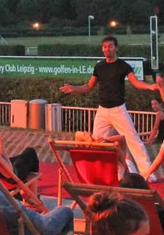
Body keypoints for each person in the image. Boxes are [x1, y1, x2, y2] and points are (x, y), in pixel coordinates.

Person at [59, 35, 156, 179]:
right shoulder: (99, 66)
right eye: (104, 46)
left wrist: (149, 86)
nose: (107, 49)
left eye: (110, 46)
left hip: (118, 109)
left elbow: (135, 82)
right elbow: (89, 86)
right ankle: (109, 171)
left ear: (116, 48)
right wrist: (73, 89)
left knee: (133, 140)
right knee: (97, 142)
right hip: (102, 111)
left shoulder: (123, 66)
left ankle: (148, 173)